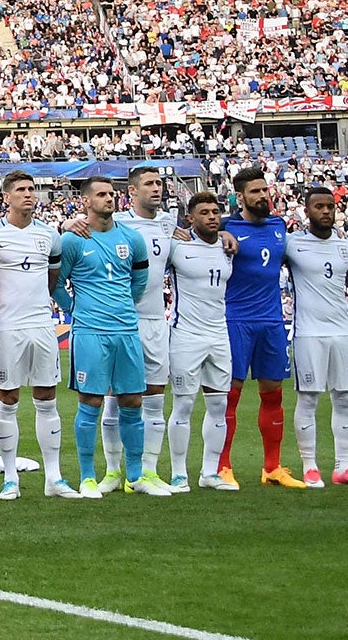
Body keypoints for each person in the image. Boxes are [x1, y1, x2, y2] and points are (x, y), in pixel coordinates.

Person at [53, 177, 169, 498]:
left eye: (111, 194)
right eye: (101, 194)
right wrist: (76, 310)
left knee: (132, 400)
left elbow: (139, 281)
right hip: (90, 332)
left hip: (126, 330)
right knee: (90, 401)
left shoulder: (132, 239)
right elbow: (57, 283)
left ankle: (135, 476)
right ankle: (88, 477)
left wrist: (122, 308)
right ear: (86, 201)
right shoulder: (72, 240)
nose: (108, 198)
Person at [0, 171, 73, 501]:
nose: (29, 194)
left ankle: (54, 478)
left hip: (42, 325)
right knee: (8, 400)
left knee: (47, 398)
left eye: (32, 189)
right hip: (7, 327)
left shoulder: (50, 236)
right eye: (20, 190)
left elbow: (53, 279)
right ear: (6, 197)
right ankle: (10, 478)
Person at [219, 164, 303, 489]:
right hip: (235, 321)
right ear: (239, 196)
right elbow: (187, 234)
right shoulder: (225, 227)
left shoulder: (279, 226)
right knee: (230, 397)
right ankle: (223, 466)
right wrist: (221, 234)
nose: (262, 196)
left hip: (272, 322)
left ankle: (272, 468)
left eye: (264, 190)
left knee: (273, 395)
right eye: (254, 192)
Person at [283, 184, 348, 487]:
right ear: (306, 211)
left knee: (345, 398)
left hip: (341, 332)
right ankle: (310, 466)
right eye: (318, 206)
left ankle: (343, 467)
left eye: (329, 206)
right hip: (308, 333)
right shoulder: (291, 244)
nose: (325, 211)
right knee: (308, 398)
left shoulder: (347, 246)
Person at [107, 165, 177, 493]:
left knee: (154, 398)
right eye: (148, 184)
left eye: (159, 183)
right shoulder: (117, 223)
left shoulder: (168, 223)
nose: (156, 188)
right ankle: (112, 471)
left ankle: (147, 471)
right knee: (112, 398)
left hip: (154, 321)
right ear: (132, 191)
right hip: (121, 320)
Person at [166, 191, 238, 491]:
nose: (212, 217)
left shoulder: (227, 247)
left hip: (219, 335)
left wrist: (225, 233)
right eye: (204, 212)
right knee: (183, 404)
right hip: (185, 335)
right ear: (190, 219)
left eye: (215, 212)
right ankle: (178, 472)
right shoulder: (177, 247)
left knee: (219, 404)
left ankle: (210, 472)